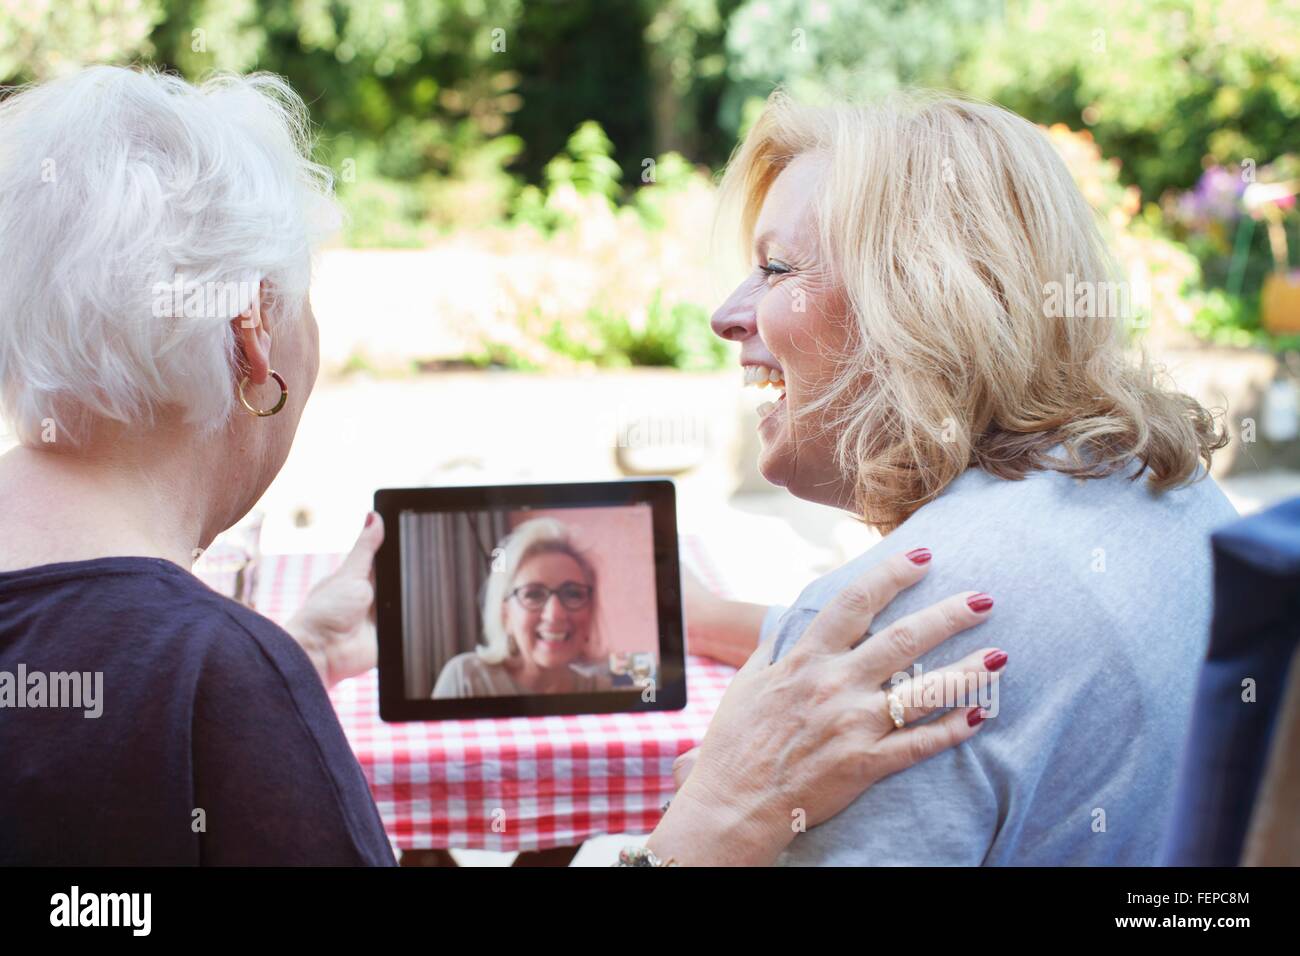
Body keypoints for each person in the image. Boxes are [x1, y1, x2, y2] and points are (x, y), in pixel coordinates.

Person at [0, 67, 1007, 866]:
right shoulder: (214, 669)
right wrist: (705, 830)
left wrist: (292, 662)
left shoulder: (205, 670)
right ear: (255, 333)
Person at [694, 91, 1238, 865]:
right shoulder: (1159, 485)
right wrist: (711, 617)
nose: (726, 313)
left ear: (921, 301)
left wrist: (708, 817)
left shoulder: (891, 627)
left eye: (777, 269)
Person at [432, 518, 615, 697]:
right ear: (505, 615)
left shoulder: (602, 691)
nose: (555, 614)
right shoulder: (466, 680)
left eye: (573, 594)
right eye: (533, 594)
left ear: (589, 611)